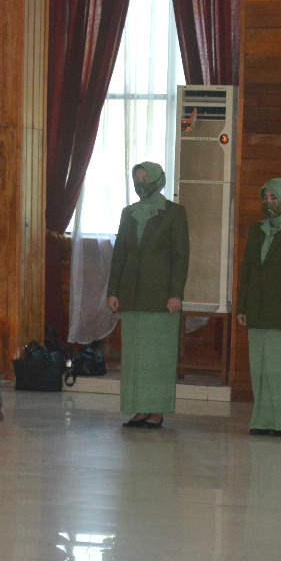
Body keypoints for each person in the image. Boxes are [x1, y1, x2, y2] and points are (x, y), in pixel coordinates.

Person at [106, 162, 189, 428]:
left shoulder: (174, 213)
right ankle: (139, 409)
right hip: (132, 294)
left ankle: (157, 411)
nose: (142, 183)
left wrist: (176, 293)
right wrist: (113, 291)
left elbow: (180, 256)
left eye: (146, 178)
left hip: (161, 296)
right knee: (135, 357)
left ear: (158, 180)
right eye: (137, 178)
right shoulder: (128, 212)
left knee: (158, 357)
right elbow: (119, 253)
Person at [236, 178, 281, 436]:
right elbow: (248, 269)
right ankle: (263, 419)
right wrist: (242, 306)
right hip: (258, 309)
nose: (269, 203)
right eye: (265, 198)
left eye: (274, 198)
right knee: (261, 369)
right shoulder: (257, 229)